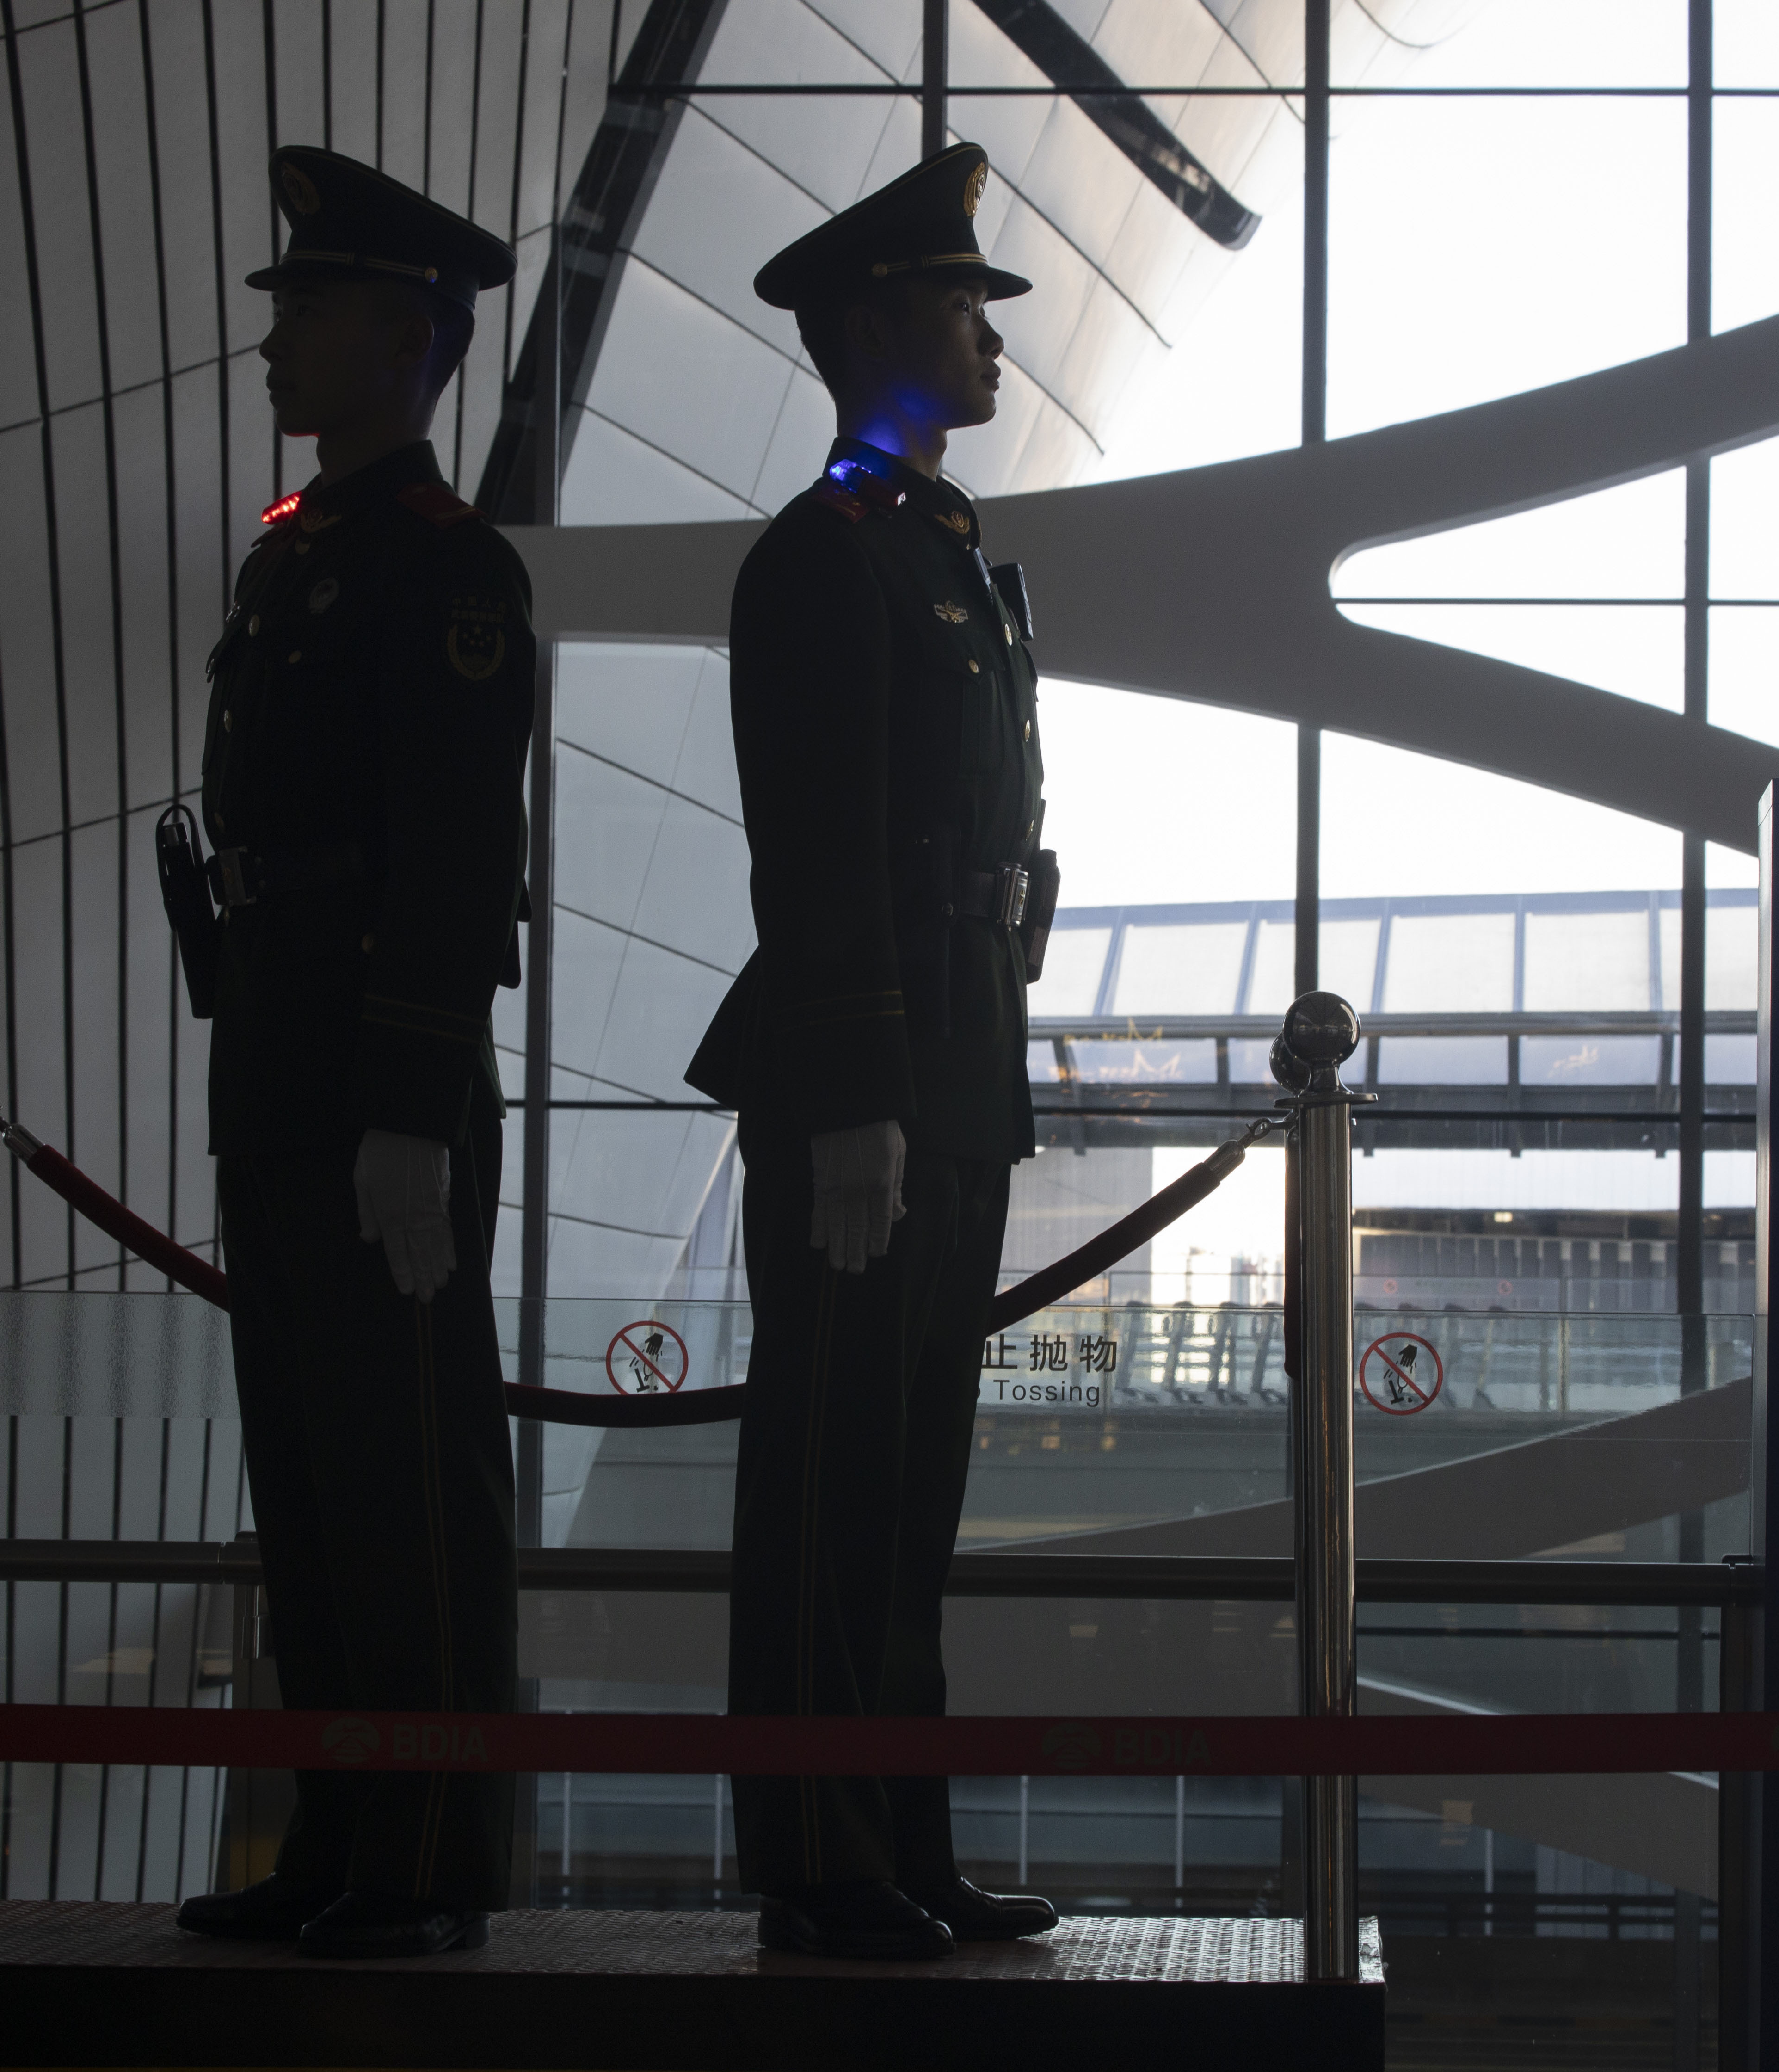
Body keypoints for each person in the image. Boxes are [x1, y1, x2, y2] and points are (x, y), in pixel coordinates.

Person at [683, 140, 1062, 1962]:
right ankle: (821, 1854)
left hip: (958, 1063)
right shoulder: (821, 563)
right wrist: (852, 1093)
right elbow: (814, 851)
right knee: (831, 1472)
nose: (991, 337)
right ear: (869, 329)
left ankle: (900, 1841)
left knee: (913, 1483)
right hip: (868, 1077)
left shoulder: (950, 556)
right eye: (956, 306)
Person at [166, 146, 534, 1961]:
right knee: (304, 1481)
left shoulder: (441, 572)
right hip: (282, 1058)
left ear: (406, 337)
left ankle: (422, 1856)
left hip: (381, 1080)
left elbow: (458, 861)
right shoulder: (298, 559)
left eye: (308, 309)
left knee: (404, 1478)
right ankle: (333, 1831)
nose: (275, 340)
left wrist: (410, 1107)